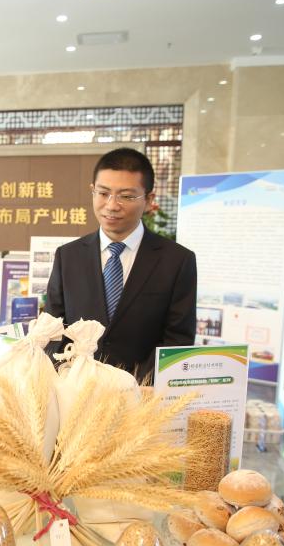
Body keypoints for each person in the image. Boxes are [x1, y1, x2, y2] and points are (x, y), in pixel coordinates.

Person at [44, 147, 196, 381]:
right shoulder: (68, 256)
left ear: (149, 200)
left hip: (143, 392)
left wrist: (137, 385)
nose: (112, 205)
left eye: (126, 196)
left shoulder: (177, 261)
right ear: (92, 191)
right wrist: (66, 378)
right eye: (103, 193)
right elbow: (53, 330)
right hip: (75, 390)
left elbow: (178, 339)